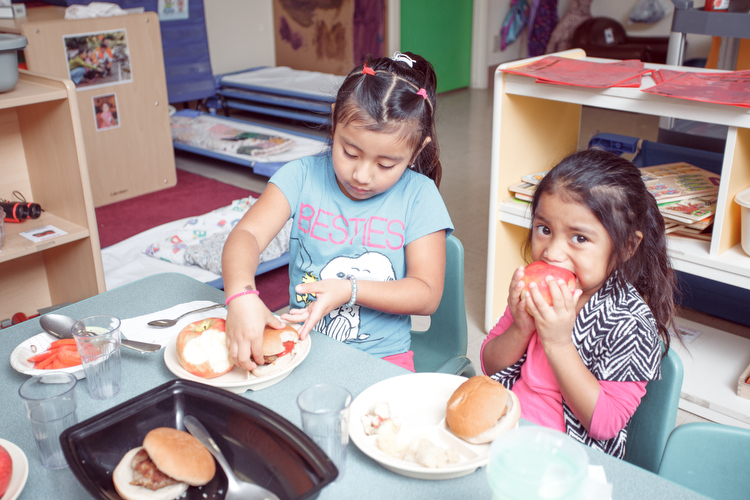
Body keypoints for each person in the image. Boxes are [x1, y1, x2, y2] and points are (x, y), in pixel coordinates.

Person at [222, 51, 453, 373]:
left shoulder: (419, 196)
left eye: (386, 164)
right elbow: (246, 235)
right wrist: (241, 295)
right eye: (350, 152)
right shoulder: (300, 176)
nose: (362, 175)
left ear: (416, 150)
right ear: (334, 122)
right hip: (302, 344)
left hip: (382, 358)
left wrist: (349, 289)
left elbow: (426, 294)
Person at [481, 149, 678, 458]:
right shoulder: (537, 287)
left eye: (579, 238)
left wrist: (558, 342)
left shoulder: (629, 323)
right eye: (544, 230)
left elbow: (606, 424)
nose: (553, 253)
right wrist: (520, 328)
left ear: (627, 246)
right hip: (507, 430)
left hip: (569, 460)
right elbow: (490, 365)